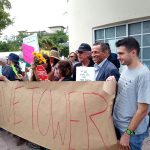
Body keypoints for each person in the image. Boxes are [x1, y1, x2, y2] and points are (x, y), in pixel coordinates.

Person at [110, 37, 150, 150]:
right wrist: (113, 83)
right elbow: (124, 91)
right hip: (119, 125)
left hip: (131, 133)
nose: (117, 57)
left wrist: (127, 134)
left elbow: (143, 110)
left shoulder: (144, 75)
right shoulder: (125, 69)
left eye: (121, 53)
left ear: (133, 52)